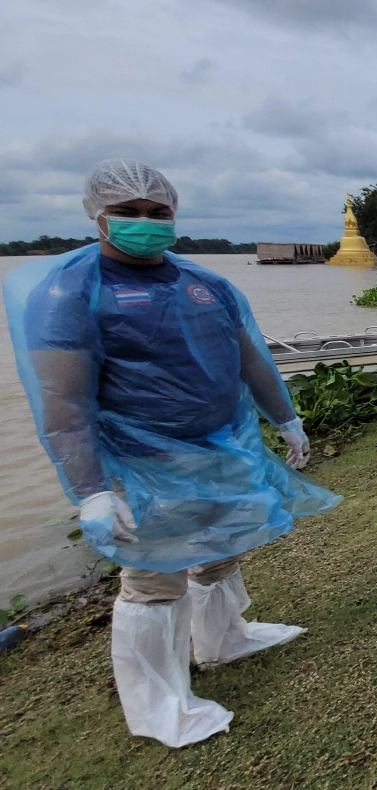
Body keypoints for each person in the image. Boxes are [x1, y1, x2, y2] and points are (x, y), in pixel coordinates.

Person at [3, 159, 341, 748]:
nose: (145, 223)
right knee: (153, 579)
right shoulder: (72, 293)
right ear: (97, 215)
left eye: (157, 213)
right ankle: (159, 704)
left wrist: (284, 418)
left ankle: (222, 640)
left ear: (174, 215)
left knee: (222, 547)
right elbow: (64, 405)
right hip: (141, 461)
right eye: (128, 213)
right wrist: (91, 493)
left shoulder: (207, 284)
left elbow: (250, 357)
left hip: (220, 447)